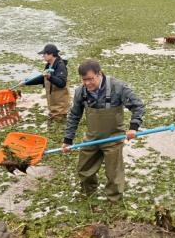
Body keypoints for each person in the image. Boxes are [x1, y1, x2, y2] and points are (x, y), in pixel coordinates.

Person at [62, 59, 145, 202]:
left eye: (90, 79)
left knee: (114, 174)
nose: (87, 83)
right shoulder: (80, 92)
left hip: (113, 138)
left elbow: (138, 106)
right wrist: (67, 140)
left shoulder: (117, 87)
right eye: (84, 80)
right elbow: (74, 116)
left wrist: (133, 127)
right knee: (84, 169)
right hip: (92, 137)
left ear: (99, 74)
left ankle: (114, 200)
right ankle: (89, 194)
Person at [23, 44, 70, 122]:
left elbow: (62, 83)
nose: (43, 56)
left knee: (59, 124)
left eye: (44, 54)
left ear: (51, 54)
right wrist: (26, 82)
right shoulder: (48, 65)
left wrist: (50, 77)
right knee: (52, 123)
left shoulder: (60, 66)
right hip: (52, 104)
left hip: (60, 106)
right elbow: (42, 78)